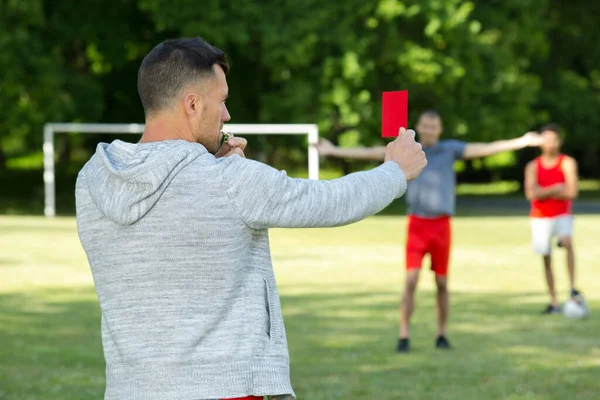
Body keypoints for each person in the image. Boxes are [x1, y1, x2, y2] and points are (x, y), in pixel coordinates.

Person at [75, 37, 426, 400]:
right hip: (227, 388)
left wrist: (216, 164)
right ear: (192, 104)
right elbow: (329, 201)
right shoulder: (231, 181)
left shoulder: (91, 181)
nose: (226, 115)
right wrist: (395, 171)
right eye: (222, 101)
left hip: (130, 390)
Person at [315, 110, 543, 353]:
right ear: (419, 127)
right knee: (410, 281)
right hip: (417, 224)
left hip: (441, 225)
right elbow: (372, 152)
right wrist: (333, 150)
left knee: (442, 283)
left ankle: (441, 334)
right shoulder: (409, 151)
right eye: (425, 125)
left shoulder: (450, 150)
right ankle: (404, 335)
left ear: (440, 129)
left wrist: (523, 141)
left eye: (434, 126)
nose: (429, 129)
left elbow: (486, 148)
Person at [524, 123, 581, 314]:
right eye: (546, 139)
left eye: (553, 139)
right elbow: (531, 194)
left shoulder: (567, 162)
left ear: (559, 141)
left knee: (567, 241)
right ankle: (553, 301)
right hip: (540, 217)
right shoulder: (533, 166)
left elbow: (571, 191)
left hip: (562, 214)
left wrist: (543, 192)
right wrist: (556, 188)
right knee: (546, 256)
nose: (550, 143)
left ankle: (572, 288)